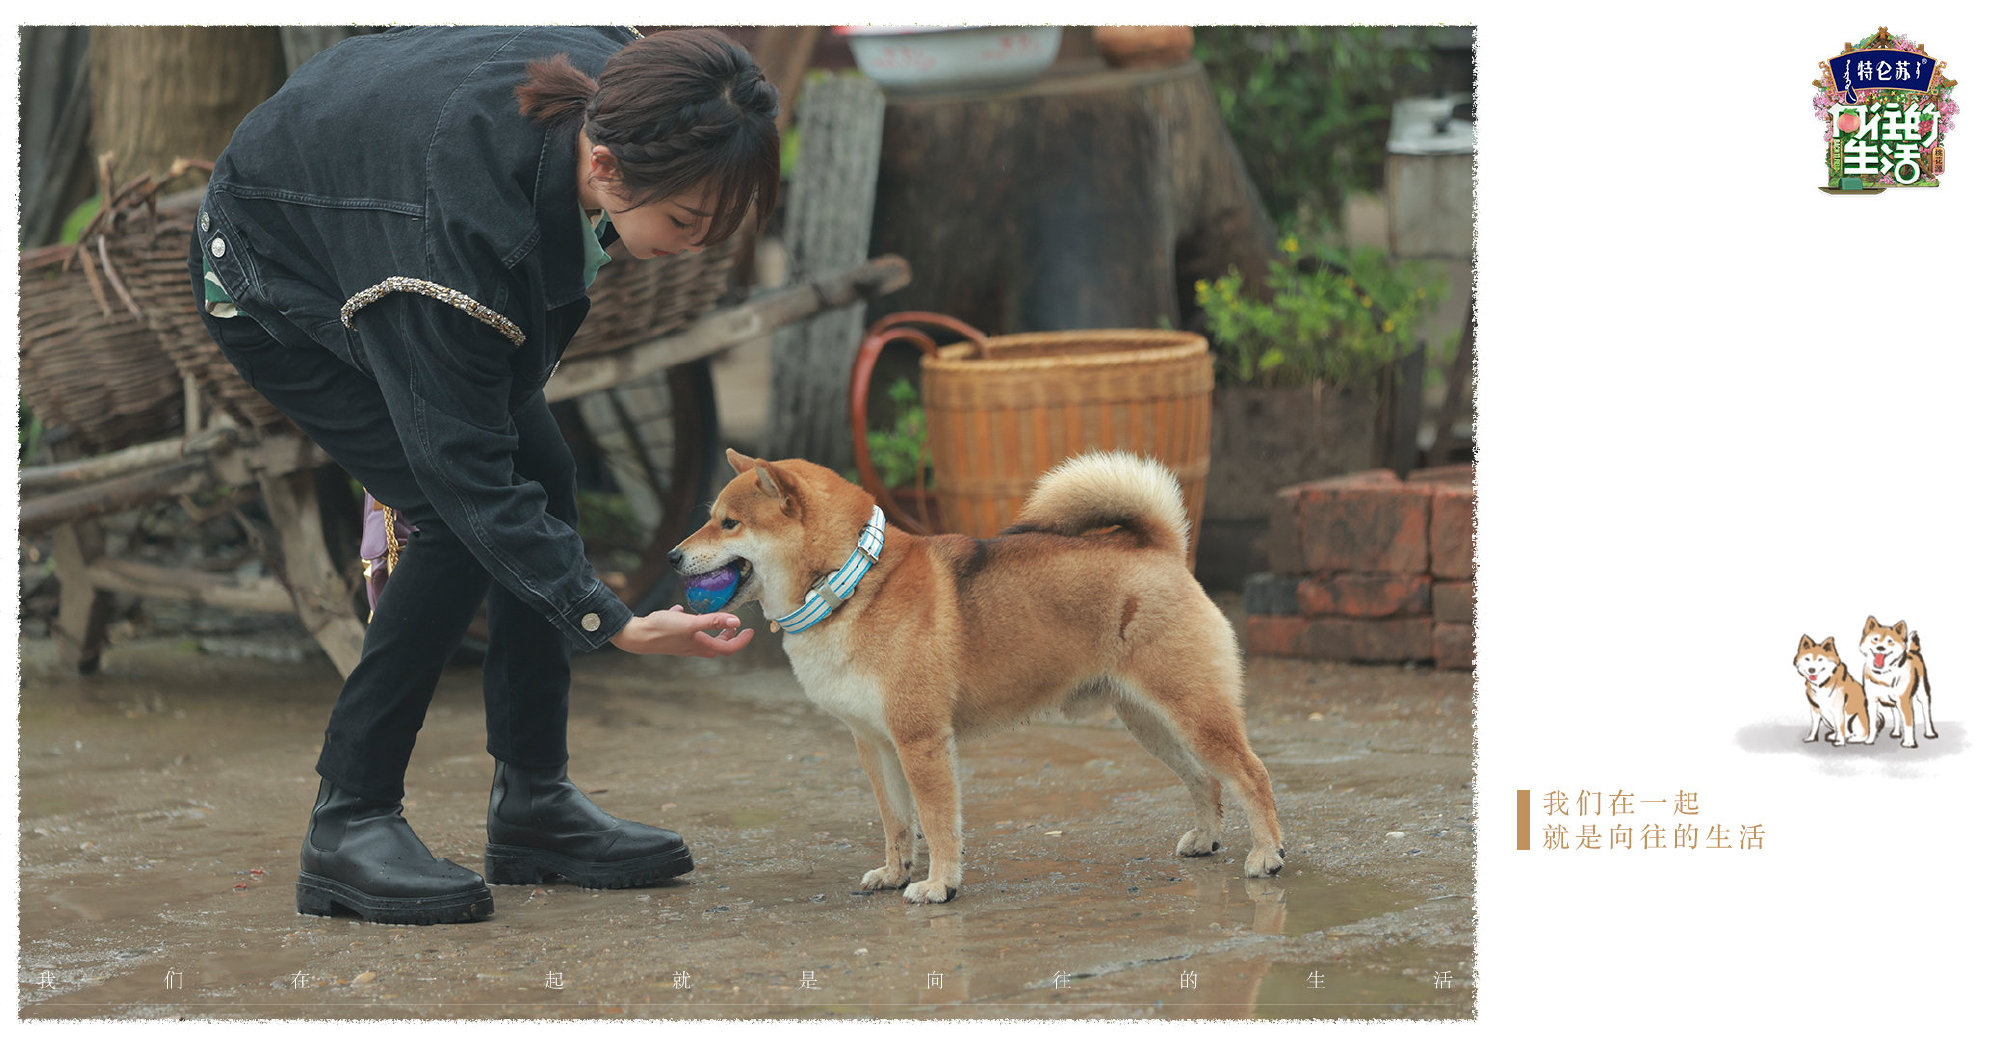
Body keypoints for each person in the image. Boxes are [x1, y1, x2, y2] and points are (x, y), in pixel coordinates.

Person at [190, 27, 777, 925]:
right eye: (685, 223)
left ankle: (535, 806)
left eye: (715, 225)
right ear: (609, 166)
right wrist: (611, 622)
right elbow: (467, 476)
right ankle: (347, 823)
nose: (693, 246)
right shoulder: (456, 243)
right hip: (273, 269)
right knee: (455, 517)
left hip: (365, 206)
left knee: (540, 468)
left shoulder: (637, 82)